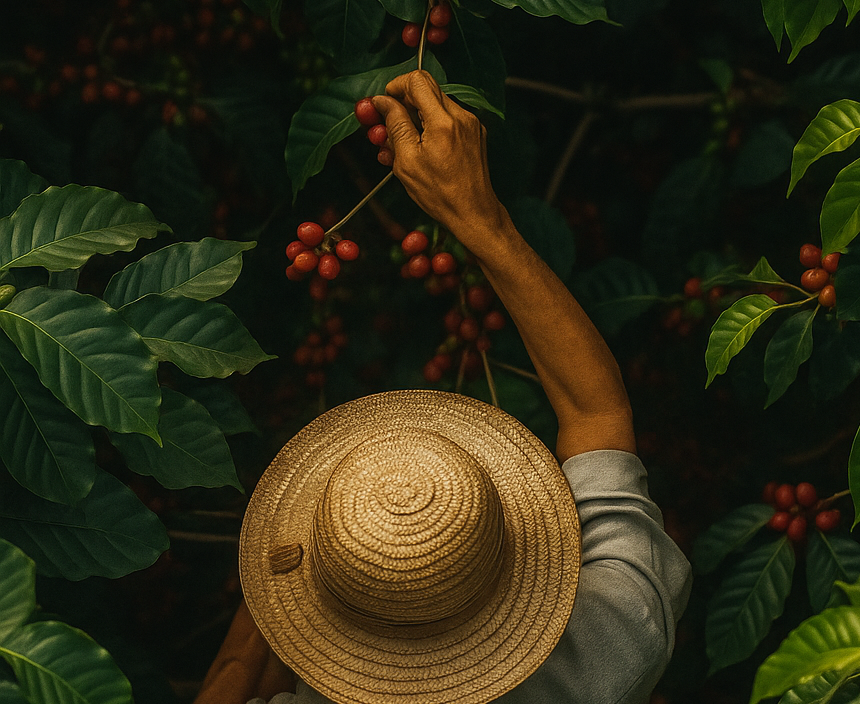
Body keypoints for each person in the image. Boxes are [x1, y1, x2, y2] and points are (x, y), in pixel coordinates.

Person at [195, 70, 691, 704]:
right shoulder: (610, 644)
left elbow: (228, 683)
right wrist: (480, 218)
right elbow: (598, 415)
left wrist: (282, 565)